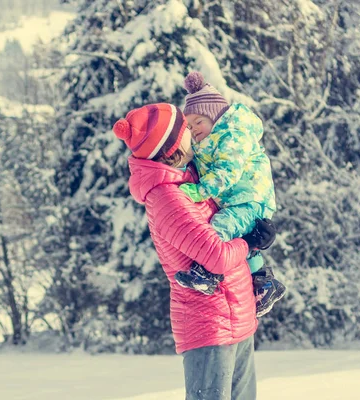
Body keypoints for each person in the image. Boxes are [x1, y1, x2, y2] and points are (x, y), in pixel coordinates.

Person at [113, 103, 275, 399]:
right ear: (173, 147)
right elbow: (216, 256)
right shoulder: (167, 198)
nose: (192, 130)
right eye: (184, 129)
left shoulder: (189, 178)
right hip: (209, 324)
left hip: (236, 317)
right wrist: (252, 242)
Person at [174, 71, 286, 317]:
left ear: (214, 115)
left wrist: (198, 192)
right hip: (239, 200)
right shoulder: (210, 139)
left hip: (249, 199)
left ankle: (209, 273)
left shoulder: (232, 136)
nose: (193, 130)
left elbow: (226, 172)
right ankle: (265, 283)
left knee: (220, 226)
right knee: (246, 241)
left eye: (198, 122)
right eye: (189, 126)